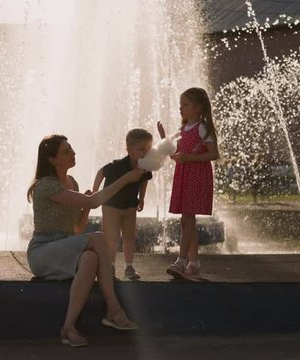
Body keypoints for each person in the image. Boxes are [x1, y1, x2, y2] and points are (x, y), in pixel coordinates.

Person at [27, 134, 143, 347]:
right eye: (66, 151)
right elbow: (93, 200)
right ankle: (113, 309)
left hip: (65, 245)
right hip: (43, 251)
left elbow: (77, 228)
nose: (73, 153)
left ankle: (68, 328)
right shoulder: (45, 185)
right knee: (98, 238)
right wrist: (126, 178)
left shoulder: (73, 183)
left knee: (90, 259)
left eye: (71, 149)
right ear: (52, 160)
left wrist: (86, 207)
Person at [158, 87, 219, 279]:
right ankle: (193, 263)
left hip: (196, 175)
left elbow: (214, 154)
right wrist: (163, 137)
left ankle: (181, 261)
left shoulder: (202, 128)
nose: (180, 108)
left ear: (198, 107)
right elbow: (176, 155)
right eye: (180, 105)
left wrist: (190, 157)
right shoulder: (183, 129)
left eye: (185, 105)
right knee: (187, 219)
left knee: (187, 218)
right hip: (185, 174)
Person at [92, 129, 153, 280]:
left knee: (129, 236)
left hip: (130, 205)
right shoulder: (118, 166)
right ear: (129, 151)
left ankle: (129, 266)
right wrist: (95, 192)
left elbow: (144, 180)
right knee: (112, 238)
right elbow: (101, 172)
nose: (146, 152)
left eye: (148, 149)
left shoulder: (144, 166)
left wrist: (142, 198)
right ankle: (110, 265)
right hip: (111, 205)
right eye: (141, 149)